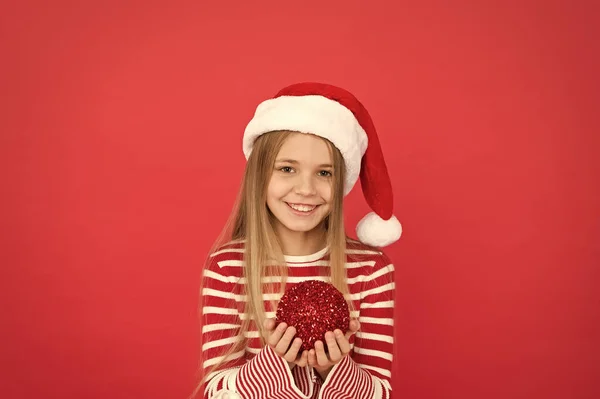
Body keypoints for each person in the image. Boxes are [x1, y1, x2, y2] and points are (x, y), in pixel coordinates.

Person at [196, 82, 403, 399]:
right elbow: (216, 392)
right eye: (287, 168)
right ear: (260, 175)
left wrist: (333, 369)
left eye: (324, 173)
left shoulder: (370, 272)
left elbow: (380, 394)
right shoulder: (227, 268)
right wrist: (274, 361)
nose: (305, 189)